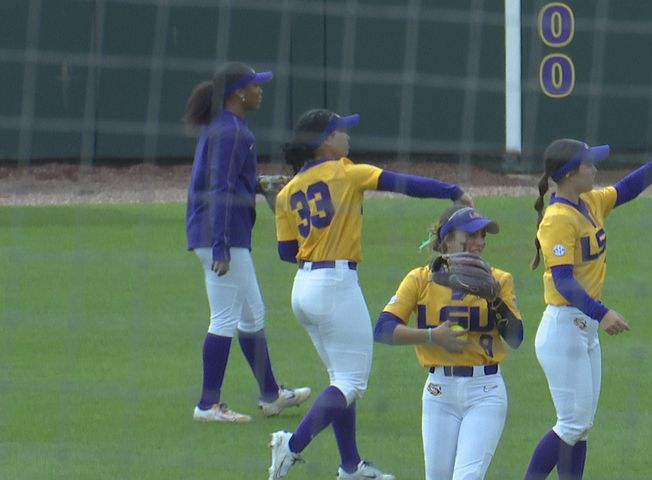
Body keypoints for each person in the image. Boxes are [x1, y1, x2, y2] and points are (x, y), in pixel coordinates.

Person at [267, 108, 474, 480]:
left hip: (303, 289)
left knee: (340, 378)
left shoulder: (286, 192)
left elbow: (286, 253)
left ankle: (351, 466)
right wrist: (452, 191)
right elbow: (402, 183)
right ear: (324, 141)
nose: (346, 135)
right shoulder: (347, 172)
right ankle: (291, 445)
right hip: (335, 286)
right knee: (351, 383)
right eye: (340, 130)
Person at [524, 139, 652, 479]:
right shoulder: (557, 220)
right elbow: (565, 282)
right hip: (563, 330)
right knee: (572, 423)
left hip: (583, 330)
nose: (595, 169)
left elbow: (629, 187)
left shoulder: (589, 202)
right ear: (569, 174)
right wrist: (604, 312)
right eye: (589, 165)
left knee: (581, 427)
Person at [184, 62, 310, 423]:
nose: (260, 91)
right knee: (224, 317)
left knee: (252, 313)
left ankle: (271, 394)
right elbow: (220, 187)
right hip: (220, 234)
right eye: (256, 86)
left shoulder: (229, 127)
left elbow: (227, 180)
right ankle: (208, 404)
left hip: (221, 231)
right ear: (239, 92)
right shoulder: (231, 131)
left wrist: (257, 184)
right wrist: (222, 246)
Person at [373, 205, 524, 480]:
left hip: (486, 391)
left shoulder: (499, 280)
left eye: (482, 235)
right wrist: (431, 336)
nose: (479, 242)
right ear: (447, 239)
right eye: (471, 234)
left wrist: (494, 300)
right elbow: (383, 329)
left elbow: (515, 338)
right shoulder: (420, 278)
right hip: (439, 393)